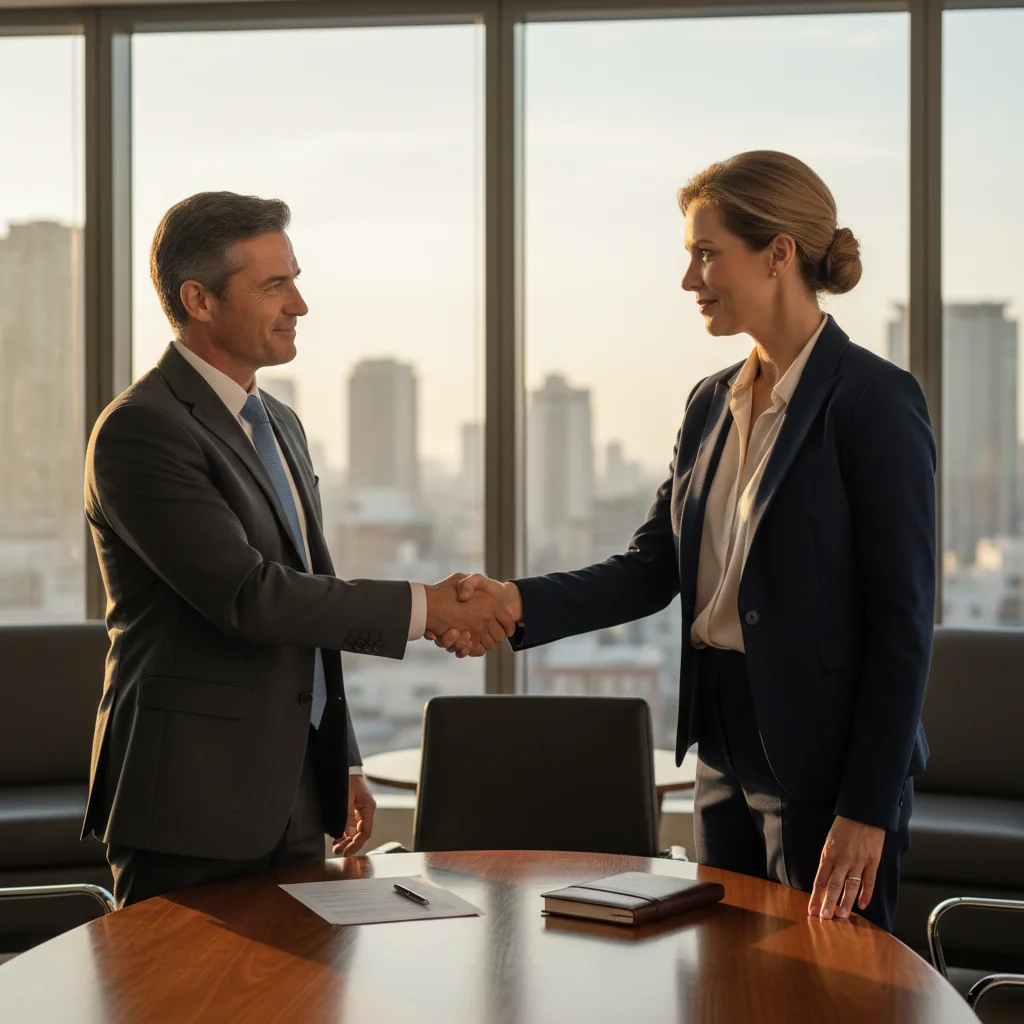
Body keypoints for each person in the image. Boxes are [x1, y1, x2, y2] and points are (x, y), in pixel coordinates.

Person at [433, 151, 936, 932]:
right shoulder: (711, 402)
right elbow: (651, 568)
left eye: (706, 253)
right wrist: (515, 601)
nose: (689, 278)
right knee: (723, 978)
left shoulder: (873, 401)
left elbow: (902, 624)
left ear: (777, 254)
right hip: (722, 749)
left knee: (830, 995)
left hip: (826, 763)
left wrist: (868, 807)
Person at [83, 192, 514, 906]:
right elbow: (250, 598)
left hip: (292, 795)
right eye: (274, 285)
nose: (301, 305)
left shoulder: (278, 423)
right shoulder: (141, 431)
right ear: (200, 300)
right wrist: (429, 607)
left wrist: (337, 758)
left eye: (296, 278)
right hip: (191, 802)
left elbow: (312, 593)